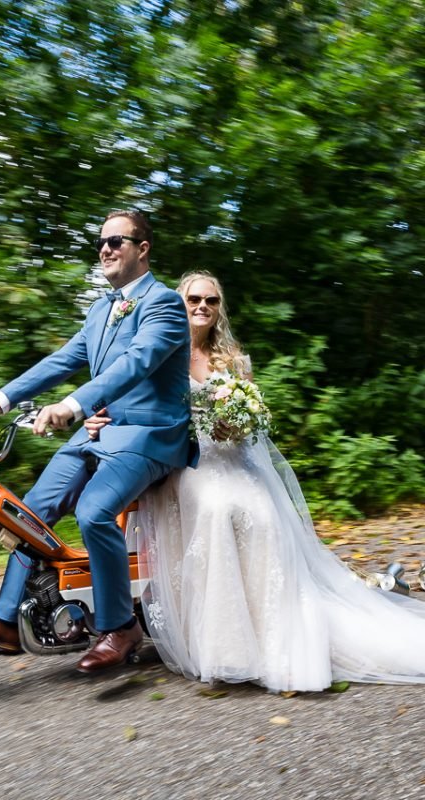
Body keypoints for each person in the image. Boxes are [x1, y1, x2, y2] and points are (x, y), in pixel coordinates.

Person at [86, 270, 425, 691]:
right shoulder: (156, 352)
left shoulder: (234, 361)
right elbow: (124, 399)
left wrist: (239, 425)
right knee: (215, 507)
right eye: (194, 299)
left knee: (263, 514)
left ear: (219, 308)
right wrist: (97, 420)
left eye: (211, 300)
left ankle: (278, 644)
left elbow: (253, 424)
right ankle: (228, 649)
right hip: (183, 464)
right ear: (179, 303)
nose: (202, 307)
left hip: (232, 458)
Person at [0, 210, 197, 673]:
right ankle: (5, 624)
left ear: (142, 248)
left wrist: (71, 408)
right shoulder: (99, 309)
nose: (106, 249)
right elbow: (60, 361)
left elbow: (135, 363)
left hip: (150, 437)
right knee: (28, 513)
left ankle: (119, 626)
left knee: (93, 512)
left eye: (117, 241)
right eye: (101, 242)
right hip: (100, 433)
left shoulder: (165, 304)